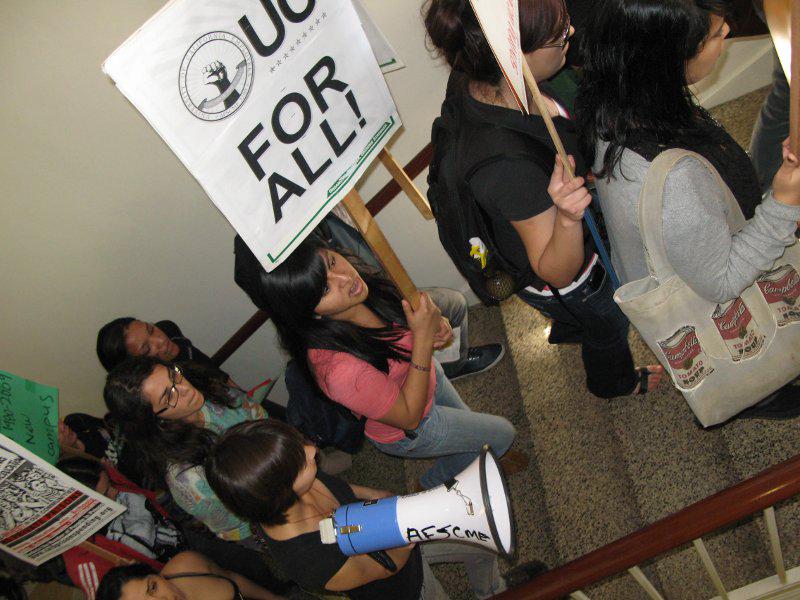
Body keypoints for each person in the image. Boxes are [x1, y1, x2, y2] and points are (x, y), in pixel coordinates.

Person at [423, 0, 663, 399]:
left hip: (563, 228)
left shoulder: (479, 75)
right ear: (515, 56)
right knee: (608, 326)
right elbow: (557, 272)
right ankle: (612, 381)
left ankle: (575, 324)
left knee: (593, 320)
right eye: (558, 35)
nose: (570, 34)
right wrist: (568, 219)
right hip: (574, 275)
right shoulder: (506, 167)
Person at [577, 0, 800, 417]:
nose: (728, 34)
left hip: (687, 246)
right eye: (715, 35)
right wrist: (784, 203)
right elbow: (722, 282)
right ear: (670, 58)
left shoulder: (619, 96)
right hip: (711, 297)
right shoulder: (674, 179)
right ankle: (761, 394)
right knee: (749, 354)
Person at [233, 235, 526, 490]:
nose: (346, 280)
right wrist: (422, 342)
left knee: (473, 434)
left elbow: (410, 326)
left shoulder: (365, 286)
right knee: (503, 433)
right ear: (310, 313)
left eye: (332, 263)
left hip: (421, 374)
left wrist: (436, 326)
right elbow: (410, 416)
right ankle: (430, 483)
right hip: (412, 427)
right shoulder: (338, 371)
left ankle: (480, 454)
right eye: (324, 289)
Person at [205, 419, 543, 599]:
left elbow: (347, 489)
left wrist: (383, 497)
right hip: (405, 586)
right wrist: (416, 523)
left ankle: (492, 592)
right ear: (279, 491)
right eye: (300, 458)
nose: (311, 449)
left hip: (397, 529)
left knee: (477, 547)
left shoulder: (300, 480)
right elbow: (386, 569)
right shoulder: (309, 562)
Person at [57, 456, 288, 598]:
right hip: (165, 575)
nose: (115, 492)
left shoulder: (108, 482)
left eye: (110, 484)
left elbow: (144, 498)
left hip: (182, 538)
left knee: (241, 564)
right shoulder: (84, 555)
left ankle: (279, 587)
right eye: (105, 493)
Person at [103, 357, 266, 542]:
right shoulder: (187, 478)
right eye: (169, 396)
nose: (186, 389)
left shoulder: (208, 390)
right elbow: (242, 524)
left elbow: (258, 415)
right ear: (155, 420)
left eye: (174, 376)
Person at [95, 551, 283, 600]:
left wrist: (275, 598)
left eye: (153, 587)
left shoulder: (188, 564)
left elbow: (232, 579)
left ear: (157, 575)